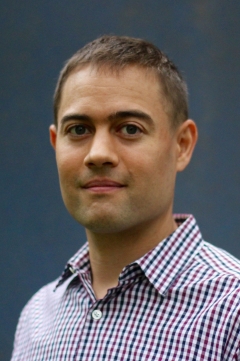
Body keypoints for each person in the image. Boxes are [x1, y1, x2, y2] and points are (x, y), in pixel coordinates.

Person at [11, 35, 240, 361]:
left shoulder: (232, 312)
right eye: (78, 130)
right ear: (55, 143)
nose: (98, 154)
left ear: (182, 145)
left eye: (129, 128)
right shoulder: (37, 317)